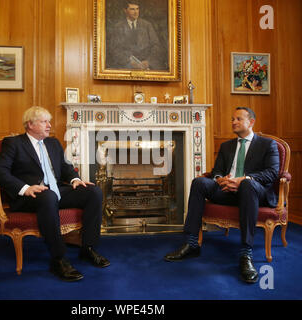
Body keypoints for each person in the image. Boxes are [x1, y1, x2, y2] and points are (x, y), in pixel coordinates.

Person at [0, 106, 110, 282]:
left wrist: (75, 180)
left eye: (49, 121)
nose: (49, 125)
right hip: (30, 196)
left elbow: (65, 167)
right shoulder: (14, 143)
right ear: (30, 124)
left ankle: (88, 249)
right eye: (44, 121)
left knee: (93, 192)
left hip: (55, 191)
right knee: (48, 196)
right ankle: (58, 259)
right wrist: (25, 188)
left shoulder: (53, 143)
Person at [164, 107, 279, 283]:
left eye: (239, 119)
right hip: (227, 190)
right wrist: (220, 179)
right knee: (199, 182)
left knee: (247, 184)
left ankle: (246, 253)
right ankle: (192, 243)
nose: (233, 122)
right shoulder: (227, 146)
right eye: (232, 119)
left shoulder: (267, 145)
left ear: (251, 122)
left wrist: (243, 179)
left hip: (252, 192)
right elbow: (216, 171)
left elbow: (272, 173)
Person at [106, 1, 166, 70]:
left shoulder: (147, 25)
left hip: (146, 66)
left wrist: (148, 61)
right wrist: (129, 62)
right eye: (132, 9)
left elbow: (156, 46)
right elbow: (114, 49)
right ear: (125, 10)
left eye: (137, 9)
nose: (136, 12)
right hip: (125, 66)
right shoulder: (118, 27)